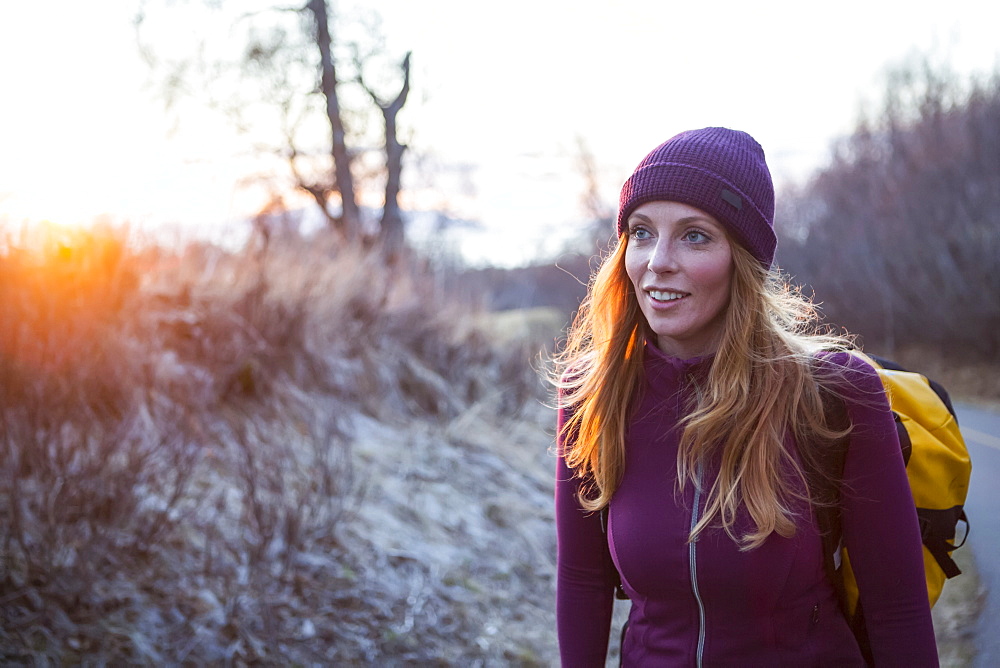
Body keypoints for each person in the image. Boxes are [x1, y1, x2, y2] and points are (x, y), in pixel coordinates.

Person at [552, 127, 937, 666]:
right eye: (641, 233)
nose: (657, 261)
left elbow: (896, 608)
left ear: (744, 260)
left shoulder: (834, 393)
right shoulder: (592, 393)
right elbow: (583, 581)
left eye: (694, 236)